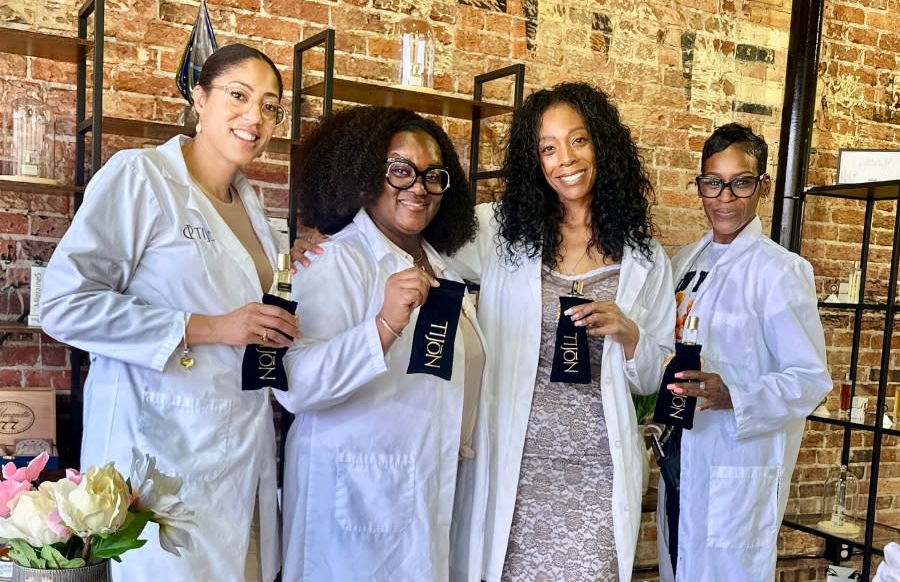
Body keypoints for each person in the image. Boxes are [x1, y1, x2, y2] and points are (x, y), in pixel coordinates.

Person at [293, 82, 675, 581]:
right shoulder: (500, 231)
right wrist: (325, 234)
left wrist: (630, 336)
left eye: (578, 140)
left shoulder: (646, 257)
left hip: (599, 465)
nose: (565, 159)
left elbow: (652, 376)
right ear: (534, 160)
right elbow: (412, 227)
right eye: (548, 147)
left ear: (603, 145)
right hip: (511, 461)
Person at [39, 44, 299, 582]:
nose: (255, 116)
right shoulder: (142, 176)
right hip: (157, 451)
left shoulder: (251, 204)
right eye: (238, 95)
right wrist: (212, 328)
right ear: (199, 98)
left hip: (238, 448)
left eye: (270, 106)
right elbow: (64, 304)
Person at [275, 105, 491, 581]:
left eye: (432, 176)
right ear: (364, 174)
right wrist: (383, 326)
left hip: (426, 494)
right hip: (352, 502)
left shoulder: (445, 270)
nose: (418, 187)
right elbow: (294, 384)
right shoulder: (334, 260)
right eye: (400, 170)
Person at [657, 123, 831, 581]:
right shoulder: (684, 262)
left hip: (735, 465)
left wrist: (734, 394)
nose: (725, 197)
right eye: (713, 182)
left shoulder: (780, 271)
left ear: (763, 187)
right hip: (681, 451)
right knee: (678, 562)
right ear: (699, 185)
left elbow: (810, 379)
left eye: (741, 183)